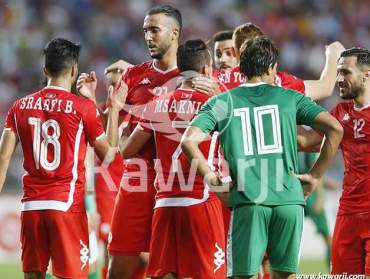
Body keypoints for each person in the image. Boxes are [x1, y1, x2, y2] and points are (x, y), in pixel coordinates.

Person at [181, 36, 343, 279]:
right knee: (284, 275)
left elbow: (188, 141)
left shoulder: (222, 102)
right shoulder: (290, 98)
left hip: (249, 200)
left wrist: (213, 181)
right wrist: (315, 176)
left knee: (244, 275)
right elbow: (335, 129)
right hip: (289, 200)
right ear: (271, 67)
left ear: (242, 67)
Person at [0, 38, 119, 279]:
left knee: (33, 275)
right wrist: (113, 109)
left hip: (31, 206)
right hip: (66, 206)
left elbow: (2, 161)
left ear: (45, 70)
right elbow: (109, 154)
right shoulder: (82, 108)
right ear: (74, 70)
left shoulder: (19, 106)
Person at [108, 38, 226, 279]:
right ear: (206, 70)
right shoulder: (216, 104)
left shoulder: (157, 104)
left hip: (164, 204)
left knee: (163, 274)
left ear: (180, 70)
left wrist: (119, 122)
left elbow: (126, 151)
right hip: (200, 201)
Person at [107, 5, 181, 279]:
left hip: (178, 185)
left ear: (174, 34)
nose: (148, 36)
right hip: (136, 182)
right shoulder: (133, 77)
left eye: (154, 30)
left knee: (172, 270)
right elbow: (114, 144)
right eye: (145, 31)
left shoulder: (193, 78)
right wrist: (114, 114)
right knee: (118, 271)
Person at [299, 47, 370, 276]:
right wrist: (278, 112)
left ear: (366, 74)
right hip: (348, 213)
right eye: (337, 72)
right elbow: (305, 141)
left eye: (345, 72)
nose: (339, 79)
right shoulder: (341, 112)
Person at [216, 22, 344, 101]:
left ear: (235, 52)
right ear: (264, 47)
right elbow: (325, 88)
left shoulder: (216, 81)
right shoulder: (278, 81)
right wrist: (333, 54)